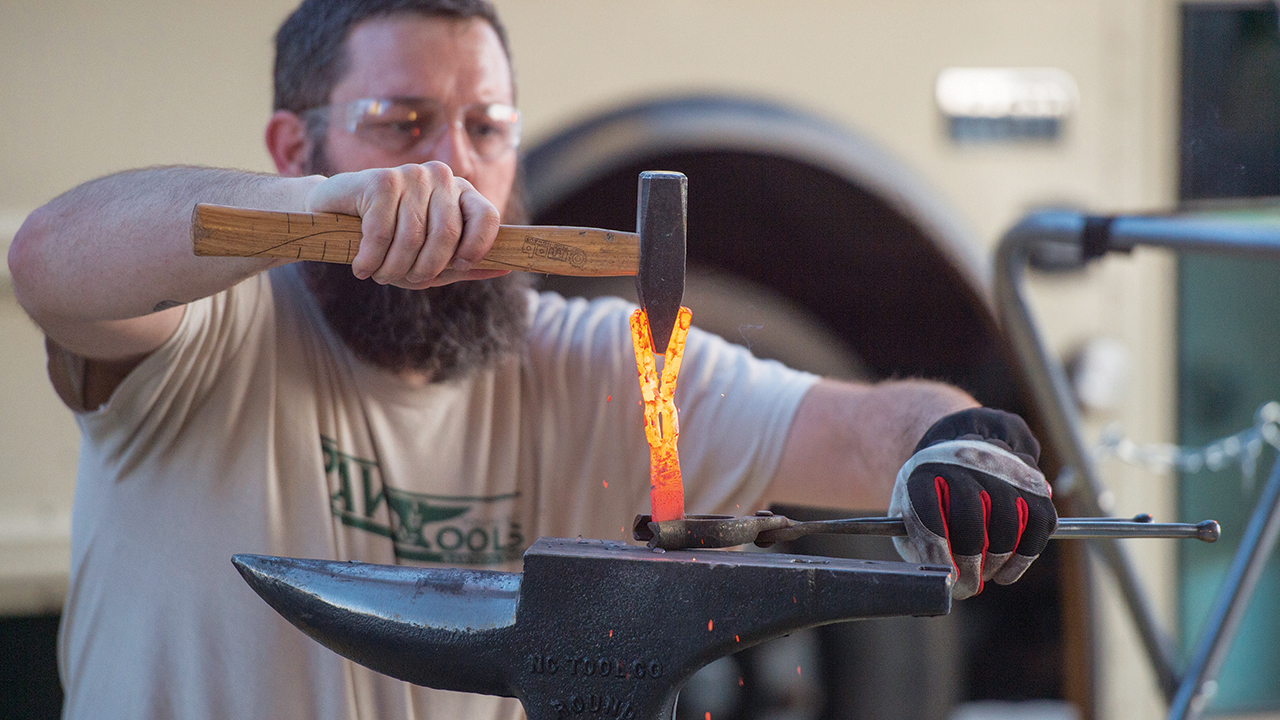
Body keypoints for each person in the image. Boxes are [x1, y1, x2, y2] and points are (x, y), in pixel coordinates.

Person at [6, 1, 1057, 718]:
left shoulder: (594, 361)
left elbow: (857, 429)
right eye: (400, 123)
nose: (454, 171)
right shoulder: (204, 341)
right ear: (294, 148)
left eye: (486, 127)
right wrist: (312, 216)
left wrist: (958, 446)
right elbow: (50, 260)